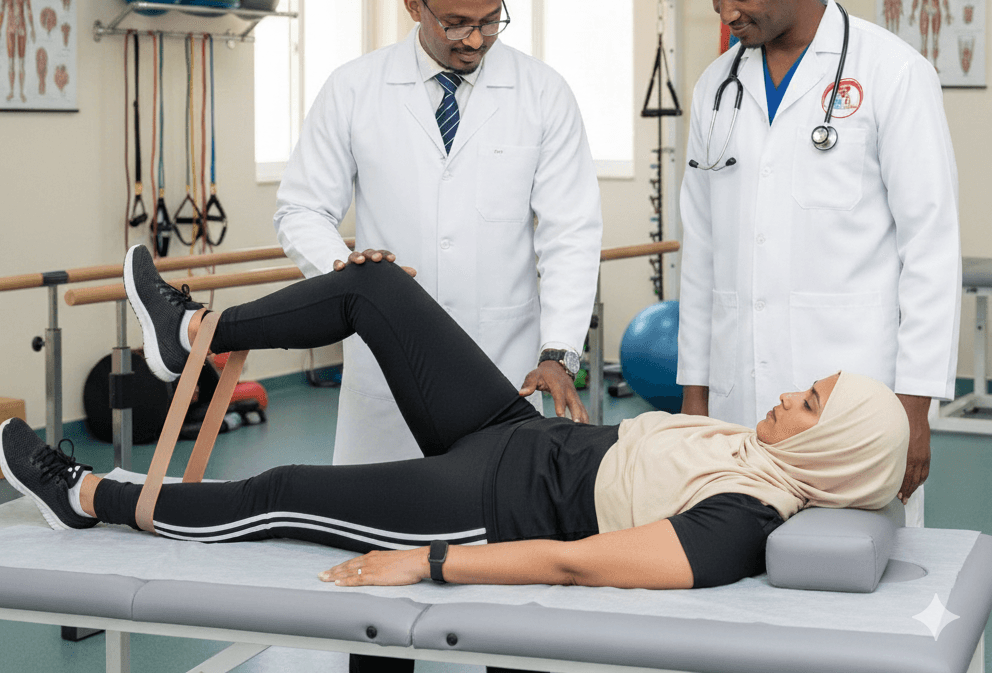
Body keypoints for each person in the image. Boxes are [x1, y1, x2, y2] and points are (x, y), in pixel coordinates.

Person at [1, 246, 909, 596]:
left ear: (835, 450)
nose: (792, 395)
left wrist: (432, 563)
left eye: (814, 405)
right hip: (516, 432)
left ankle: (86, 496)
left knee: (282, 488)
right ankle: (193, 334)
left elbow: (575, 560)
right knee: (376, 285)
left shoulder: (745, 518)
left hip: (492, 499)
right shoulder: (752, 445)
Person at [677, 0, 960, 527]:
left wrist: (914, 412)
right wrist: (693, 404)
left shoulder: (892, 73)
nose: (726, 11)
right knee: (735, 577)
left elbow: (931, 251)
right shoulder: (715, 87)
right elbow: (702, 253)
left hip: (851, 405)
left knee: (860, 584)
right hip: (739, 405)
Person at [274, 0, 602, 466]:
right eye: (455, 24)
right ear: (413, 5)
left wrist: (559, 353)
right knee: (374, 527)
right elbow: (301, 207)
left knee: (493, 534)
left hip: (505, 367)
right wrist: (348, 272)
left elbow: (572, 230)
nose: (475, 41)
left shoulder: (543, 93)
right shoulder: (354, 88)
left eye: (490, 21)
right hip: (386, 367)